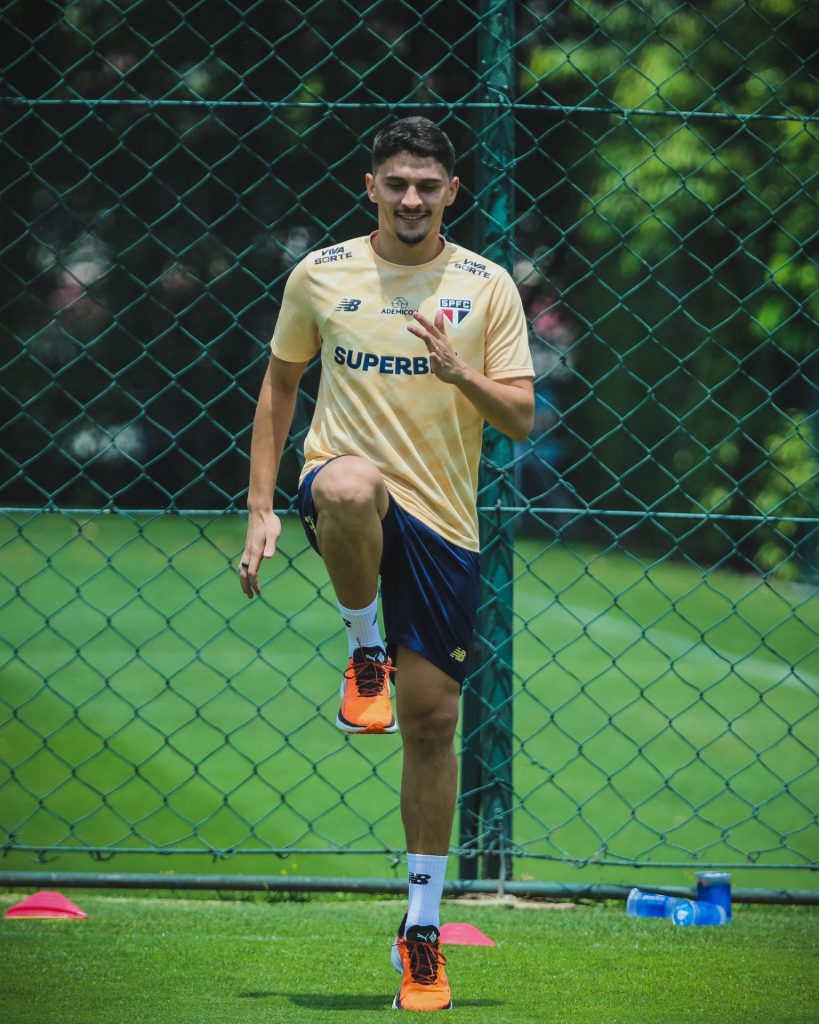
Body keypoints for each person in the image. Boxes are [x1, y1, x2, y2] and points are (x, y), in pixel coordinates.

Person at [239, 116, 534, 1012]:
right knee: (348, 486)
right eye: (396, 182)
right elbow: (281, 383)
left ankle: (421, 929)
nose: (411, 198)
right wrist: (258, 507)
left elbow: (519, 416)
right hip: (349, 488)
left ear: (452, 193)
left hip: (445, 522)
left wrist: (458, 373)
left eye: (428, 185)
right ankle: (360, 643)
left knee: (433, 724)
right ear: (370, 185)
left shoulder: (486, 288)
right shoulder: (320, 274)